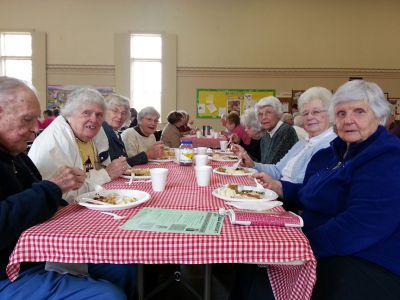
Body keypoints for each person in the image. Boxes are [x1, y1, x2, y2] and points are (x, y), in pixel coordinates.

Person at [251, 80, 400, 299]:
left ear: (379, 116)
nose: (348, 120)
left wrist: (303, 248)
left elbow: (360, 225)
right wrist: (283, 188)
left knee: (265, 281)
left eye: (359, 111)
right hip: (326, 243)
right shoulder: (335, 152)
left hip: (365, 258)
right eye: (341, 113)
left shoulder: (387, 157)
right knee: (256, 265)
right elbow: (311, 192)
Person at [0, 76, 136, 299]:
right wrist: (53, 188)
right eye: (27, 119)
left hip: (39, 252)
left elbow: (46, 199)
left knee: (125, 266)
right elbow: (47, 195)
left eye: (37, 120)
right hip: (12, 271)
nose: (35, 129)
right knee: (109, 295)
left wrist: (52, 191)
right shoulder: (45, 143)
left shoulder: (15, 154)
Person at [29, 88, 130, 203]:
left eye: (99, 114)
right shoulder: (53, 143)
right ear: (69, 113)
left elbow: (99, 168)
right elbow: (65, 196)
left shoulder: (93, 132)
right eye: (86, 113)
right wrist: (106, 174)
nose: (94, 119)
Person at [233, 87, 336, 184]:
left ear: (330, 113)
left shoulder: (332, 145)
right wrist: (252, 164)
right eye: (305, 113)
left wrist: (278, 186)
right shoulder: (303, 142)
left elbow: (303, 184)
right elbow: (277, 170)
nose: (309, 117)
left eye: (316, 112)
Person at [103, 94, 164, 166]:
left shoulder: (114, 133)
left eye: (123, 113)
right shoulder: (104, 132)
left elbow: (124, 162)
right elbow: (116, 166)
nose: (120, 116)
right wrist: (148, 155)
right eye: (115, 111)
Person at [252, 96, 298, 164]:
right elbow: (264, 164)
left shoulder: (286, 131)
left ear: (278, 113)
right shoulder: (265, 136)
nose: (264, 117)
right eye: (260, 114)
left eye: (268, 113)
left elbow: (273, 165)